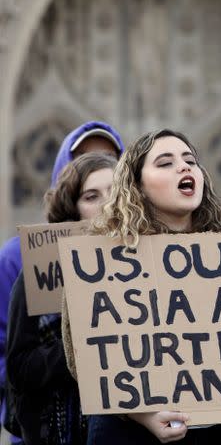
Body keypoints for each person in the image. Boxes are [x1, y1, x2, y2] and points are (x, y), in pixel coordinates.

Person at [67, 129, 221, 444]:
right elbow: (81, 359)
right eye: (165, 163)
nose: (184, 167)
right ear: (138, 186)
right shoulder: (100, 259)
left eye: (190, 160)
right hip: (130, 434)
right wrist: (142, 414)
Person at [0, 121, 123, 443]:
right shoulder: (29, 264)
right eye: (91, 196)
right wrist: (86, 345)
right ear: (73, 206)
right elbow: (19, 367)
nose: (106, 204)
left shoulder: (164, 261)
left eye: (115, 192)